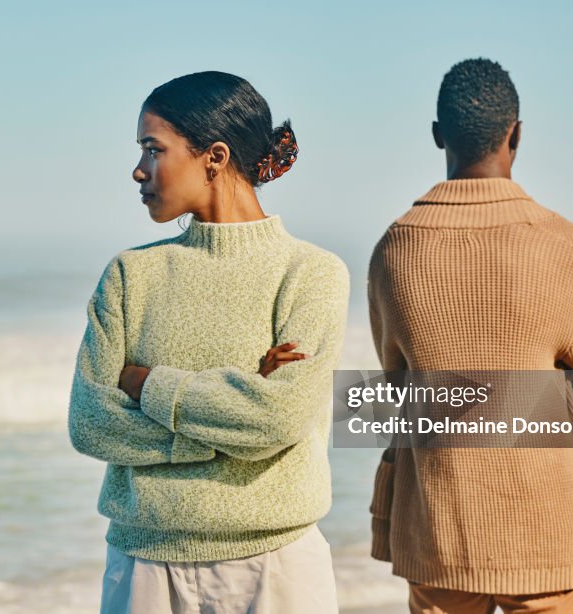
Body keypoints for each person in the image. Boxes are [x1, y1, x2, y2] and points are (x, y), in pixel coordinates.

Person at [68, 71, 348, 614]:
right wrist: (229, 424)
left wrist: (146, 383)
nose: (139, 169)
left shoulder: (310, 274)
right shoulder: (130, 275)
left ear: (213, 157)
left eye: (154, 150)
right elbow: (89, 423)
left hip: (276, 565)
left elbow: (277, 418)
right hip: (143, 563)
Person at [367, 58, 573, 613]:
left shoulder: (395, 247)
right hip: (547, 523)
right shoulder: (565, 244)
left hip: (438, 522)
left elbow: (398, 379)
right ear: (517, 133)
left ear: (437, 136)